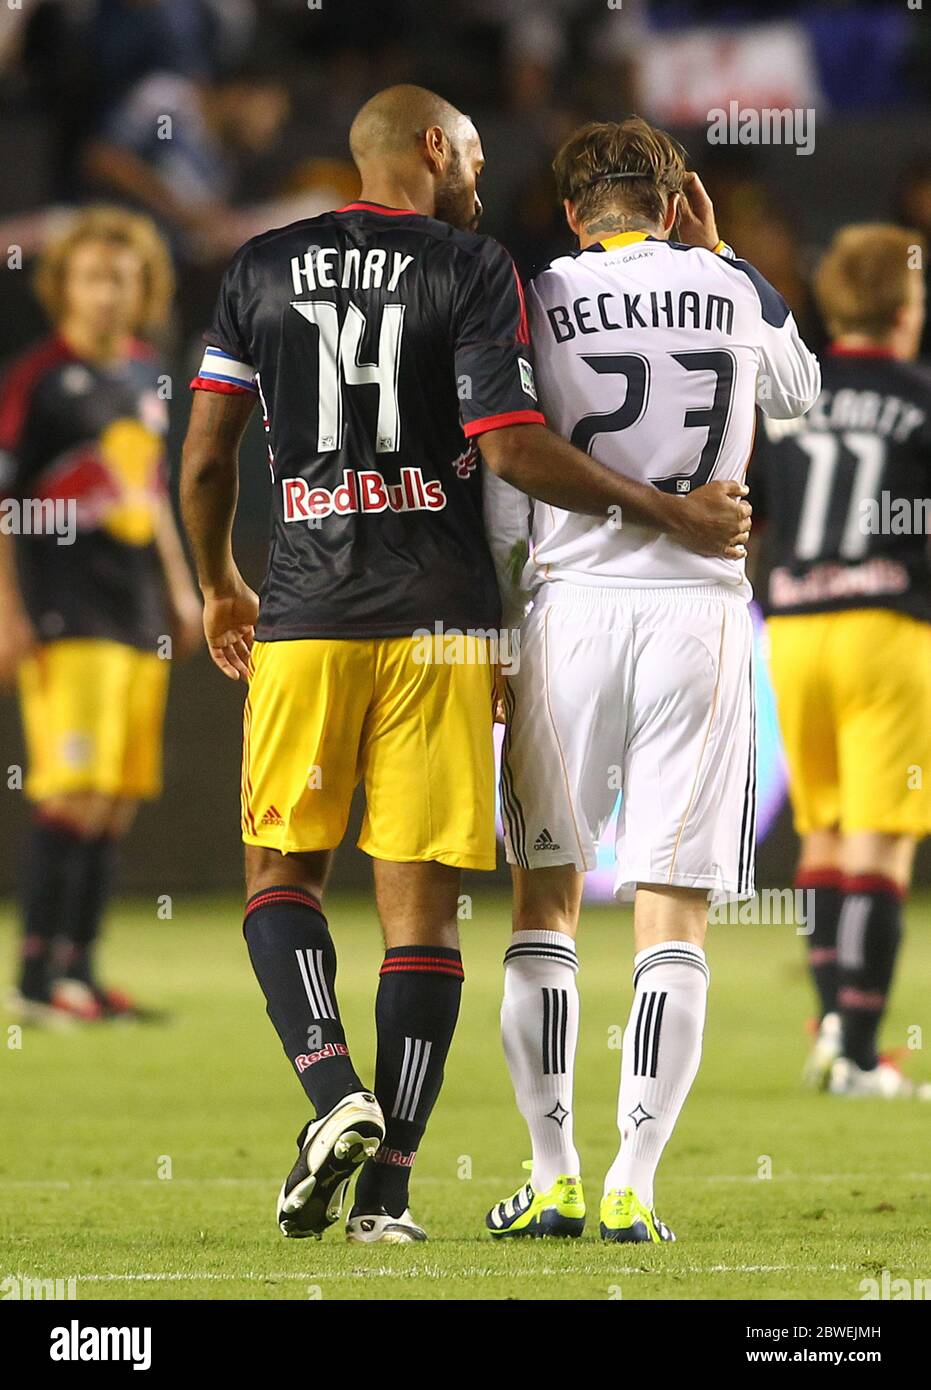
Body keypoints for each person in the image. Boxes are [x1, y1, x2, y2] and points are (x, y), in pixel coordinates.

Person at [179, 85, 751, 1244]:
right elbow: (511, 451)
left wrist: (217, 580)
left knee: (278, 878)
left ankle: (331, 1088)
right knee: (423, 923)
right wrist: (667, 514)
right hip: (440, 622)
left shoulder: (258, 266)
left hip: (305, 614)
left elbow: (204, 459)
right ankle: (386, 1197)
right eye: (478, 153)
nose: (487, 176)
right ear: (434, 148)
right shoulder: (475, 266)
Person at [483, 117, 820, 1243]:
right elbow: (801, 396)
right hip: (701, 616)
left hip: (568, 611)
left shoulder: (535, 292)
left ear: (571, 210)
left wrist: (493, 623)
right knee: (673, 913)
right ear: (678, 201)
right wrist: (723, 260)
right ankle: (635, 1178)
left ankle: (553, 1169)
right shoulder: (725, 287)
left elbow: (503, 470)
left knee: (547, 898)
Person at [0, 205, 202, 1024]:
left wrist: (184, 589)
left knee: (115, 795)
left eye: (122, 277)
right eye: (91, 276)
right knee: (71, 793)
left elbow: (148, 491)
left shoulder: (147, 375)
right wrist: (8, 613)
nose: (107, 292)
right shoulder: (37, 380)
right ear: (62, 287)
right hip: (62, 610)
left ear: (144, 287)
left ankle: (81, 969)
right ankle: (36, 979)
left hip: (135, 611)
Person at [754, 224, 931, 1099]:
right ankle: (861, 1055)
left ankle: (831, 1031)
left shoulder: (788, 399)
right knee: (880, 840)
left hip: (789, 628)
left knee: (821, 832)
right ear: (904, 312)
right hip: (883, 630)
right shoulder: (918, 395)